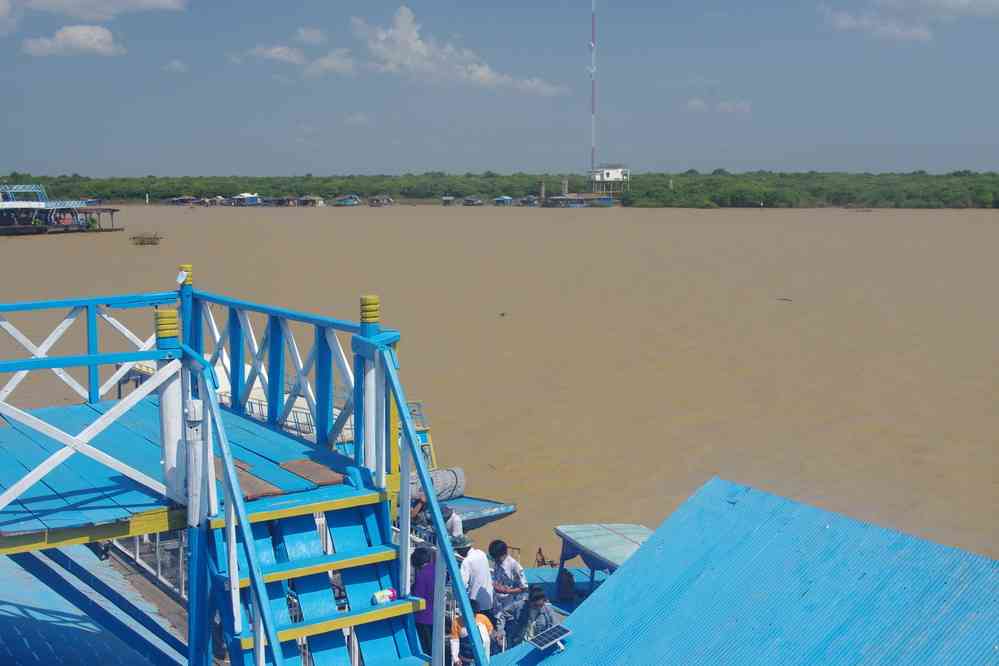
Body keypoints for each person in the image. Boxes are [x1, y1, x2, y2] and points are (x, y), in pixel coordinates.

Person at [453, 534, 494, 621]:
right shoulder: (481, 554)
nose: (458, 553)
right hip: (488, 600)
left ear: (463, 548)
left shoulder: (467, 561)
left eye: (458, 550)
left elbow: (461, 584)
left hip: (476, 603)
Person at [488, 540, 527, 613]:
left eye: (496, 558)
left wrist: (506, 591)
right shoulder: (497, 564)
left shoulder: (515, 566)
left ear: (504, 554)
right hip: (499, 606)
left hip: (513, 607)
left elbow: (524, 588)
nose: (495, 560)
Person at [410, 547, 435, 655]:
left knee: (426, 648)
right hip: (435, 614)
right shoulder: (435, 569)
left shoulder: (421, 575)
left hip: (423, 617)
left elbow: (417, 595)